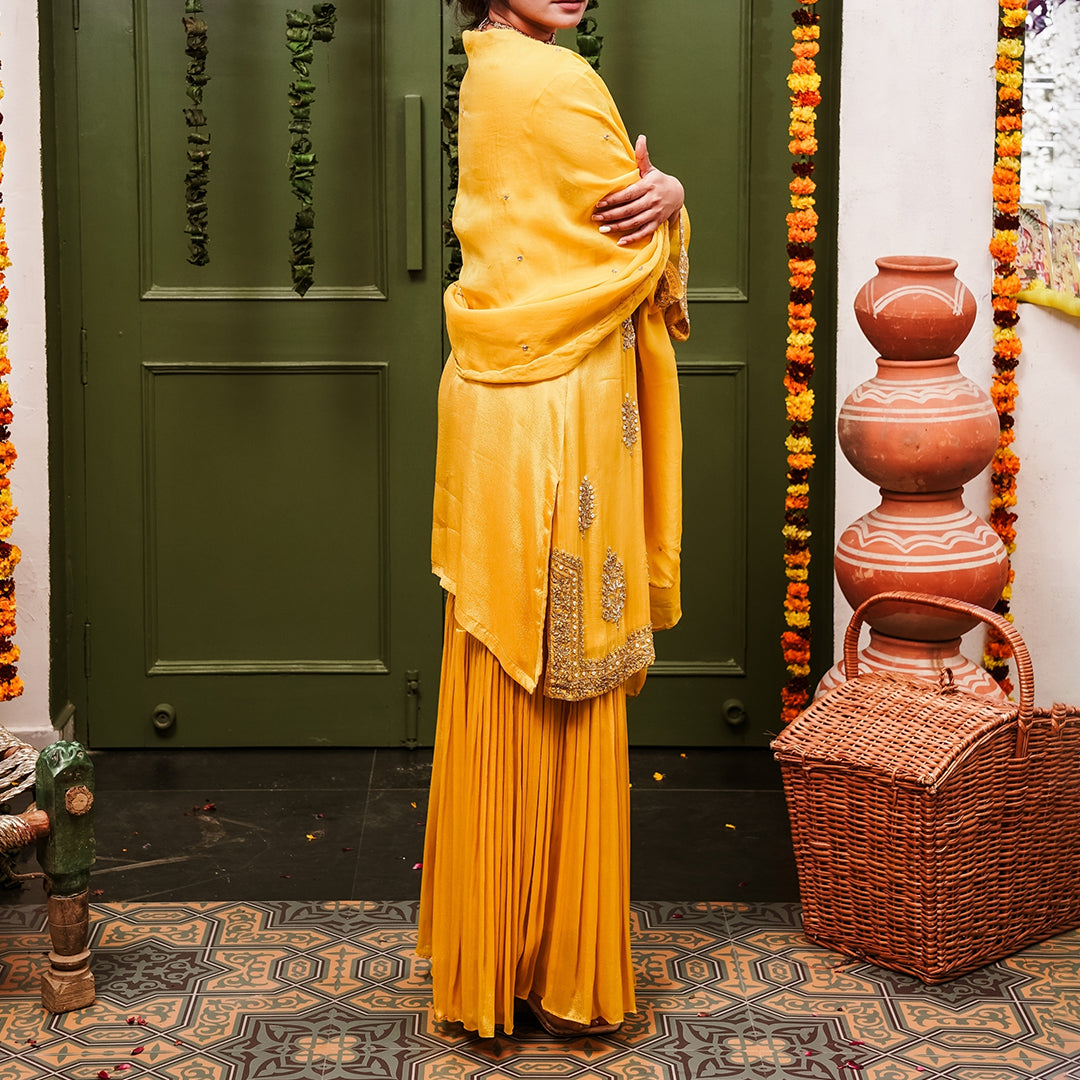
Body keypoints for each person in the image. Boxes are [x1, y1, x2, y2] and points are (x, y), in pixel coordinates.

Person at [418, 0, 690, 1039]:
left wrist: (655, 197)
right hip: (560, 411)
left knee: (506, 659)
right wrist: (671, 199)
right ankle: (561, 971)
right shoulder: (560, 82)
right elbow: (630, 253)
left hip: (496, 403)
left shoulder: (487, 68)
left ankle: (493, 959)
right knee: (559, 669)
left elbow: (564, 234)